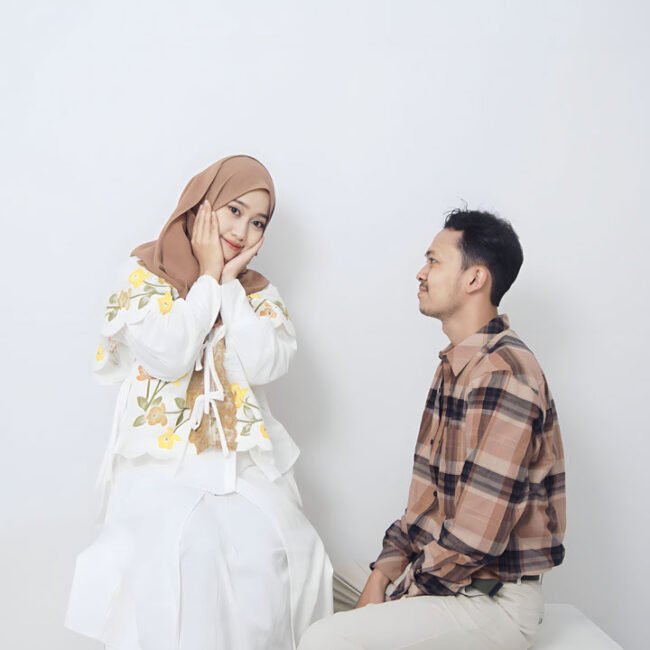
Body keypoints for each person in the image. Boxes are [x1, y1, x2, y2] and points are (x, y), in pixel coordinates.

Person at [65, 155, 333, 650]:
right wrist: (208, 276)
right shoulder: (142, 275)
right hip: (159, 464)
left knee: (279, 551)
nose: (242, 231)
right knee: (192, 558)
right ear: (201, 205)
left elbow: (264, 365)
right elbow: (170, 356)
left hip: (239, 464)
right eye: (234, 211)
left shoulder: (257, 294)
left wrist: (228, 285)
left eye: (258, 222)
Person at [299, 209, 566, 650]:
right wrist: (381, 575)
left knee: (324, 639)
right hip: (447, 580)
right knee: (302, 588)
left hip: (491, 600)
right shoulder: (456, 365)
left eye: (434, 261)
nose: (420, 273)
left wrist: (393, 595)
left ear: (474, 278)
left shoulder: (505, 375)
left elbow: (474, 541)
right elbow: (422, 509)